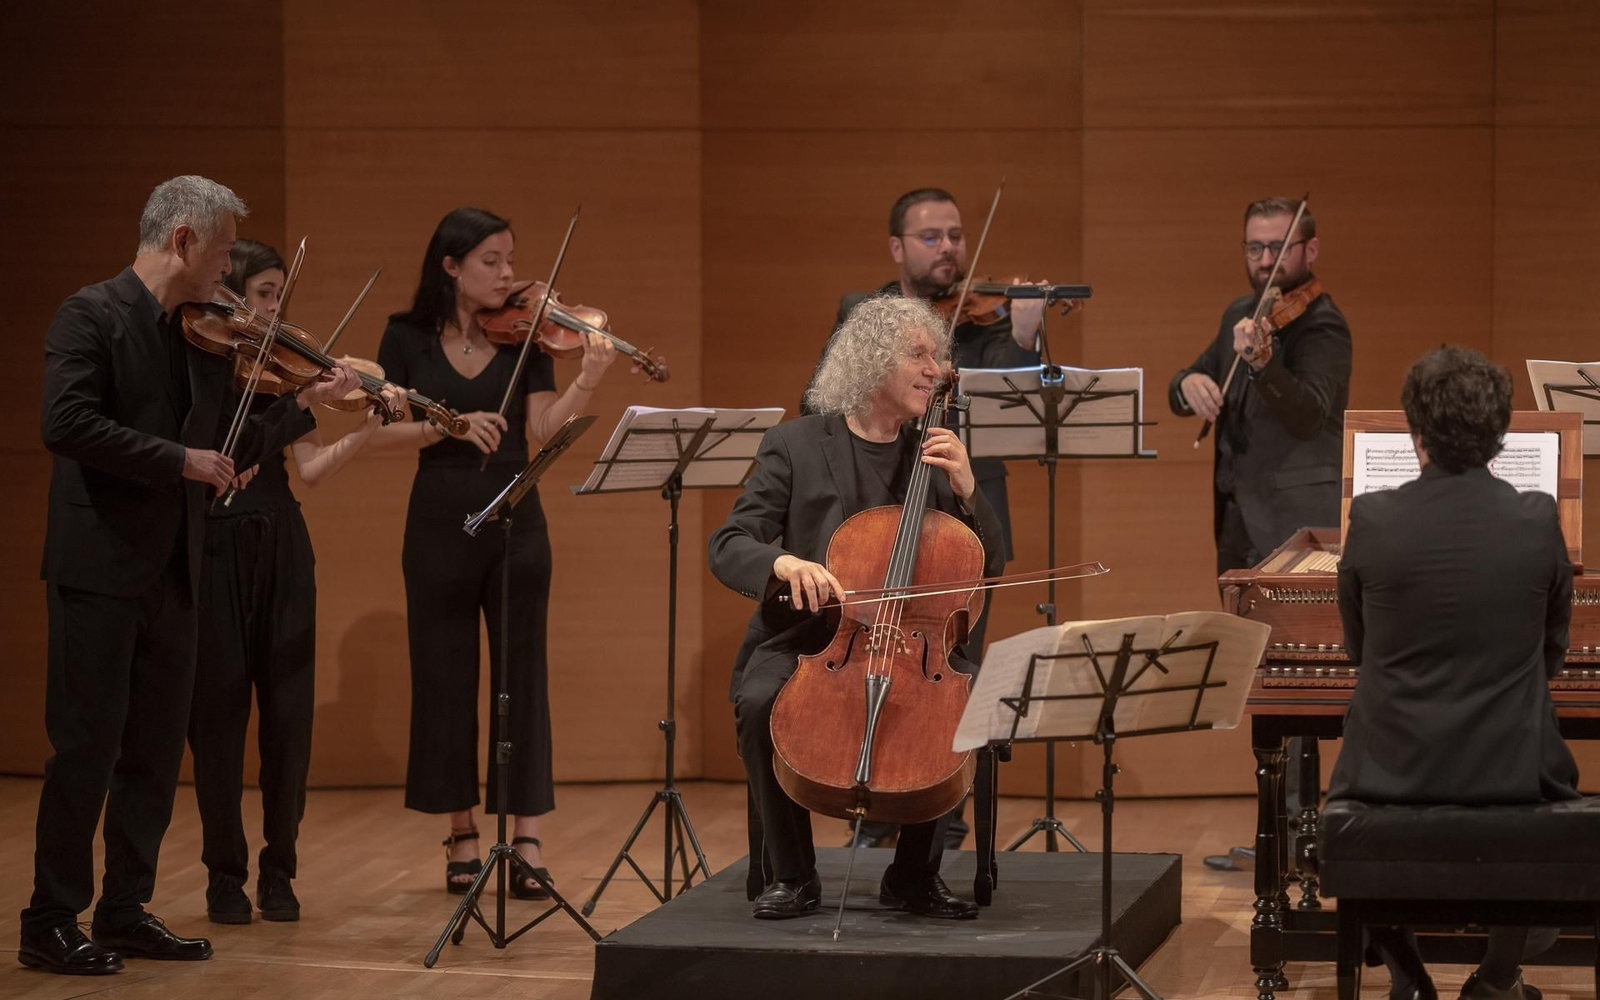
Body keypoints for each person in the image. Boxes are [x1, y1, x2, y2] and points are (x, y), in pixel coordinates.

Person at [21, 176, 357, 975]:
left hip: (179, 569)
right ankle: (49, 918)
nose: (228, 273)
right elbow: (63, 423)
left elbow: (227, 453)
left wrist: (304, 402)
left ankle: (126, 908)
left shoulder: (198, 337)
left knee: (153, 749)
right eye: (223, 253)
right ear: (181, 241)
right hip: (98, 570)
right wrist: (177, 460)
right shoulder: (89, 316)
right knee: (87, 746)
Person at [710, 295, 1005, 921]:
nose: (937, 369)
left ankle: (913, 876)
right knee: (762, 700)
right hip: (810, 639)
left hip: (910, 646)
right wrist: (783, 564)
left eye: (938, 357)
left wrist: (969, 490)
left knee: (962, 701)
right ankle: (793, 874)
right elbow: (730, 542)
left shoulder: (933, 454)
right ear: (873, 364)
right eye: (919, 355)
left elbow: (993, 562)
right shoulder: (792, 444)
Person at [373, 207, 618, 898]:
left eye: (511, 259)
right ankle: (462, 834)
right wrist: (441, 427)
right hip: (437, 523)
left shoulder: (526, 335)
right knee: (445, 680)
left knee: (522, 678)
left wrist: (589, 378)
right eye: (492, 261)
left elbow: (541, 427)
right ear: (450, 265)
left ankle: (529, 835)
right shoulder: (405, 336)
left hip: (518, 522)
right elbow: (372, 429)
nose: (509, 274)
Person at [1329, 346, 1578, 1000]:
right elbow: (1551, 656)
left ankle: (1408, 978)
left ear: (1415, 433)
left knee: (1360, 746)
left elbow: (1360, 651)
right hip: (1509, 777)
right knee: (1542, 766)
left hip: (1390, 777)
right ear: (1501, 438)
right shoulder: (1536, 520)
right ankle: (1498, 979)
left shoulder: (1373, 518)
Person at [809, 186, 1045, 850]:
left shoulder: (987, 324)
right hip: (879, 522)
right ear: (897, 247)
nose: (950, 249)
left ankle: (941, 826)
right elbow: (823, 402)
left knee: (950, 675)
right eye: (932, 237)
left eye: (957, 236)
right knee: (878, 664)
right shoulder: (863, 314)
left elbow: (1016, 417)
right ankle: (873, 802)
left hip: (963, 526)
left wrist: (1023, 338)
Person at [187, 238, 404, 925]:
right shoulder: (201, 366)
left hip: (281, 544)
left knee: (288, 718)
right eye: (262, 294)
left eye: (280, 293)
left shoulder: (281, 373)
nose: (274, 308)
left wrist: (368, 423)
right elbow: (223, 452)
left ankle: (279, 869)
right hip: (216, 548)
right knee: (216, 718)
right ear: (229, 298)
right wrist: (303, 400)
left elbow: (309, 470)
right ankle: (225, 875)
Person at [1169, 196, 1351, 573]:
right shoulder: (1239, 314)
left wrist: (1265, 365)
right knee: (1237, 633)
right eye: (1255, 248)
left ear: (1310, 249)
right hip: (1235, 523)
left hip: (1299, 525)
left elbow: (1309, 417)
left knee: (1292, 635)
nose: (1266, 260)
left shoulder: (1324, 326)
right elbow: (1181, 387)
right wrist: (1189, 384)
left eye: (1278, 248)